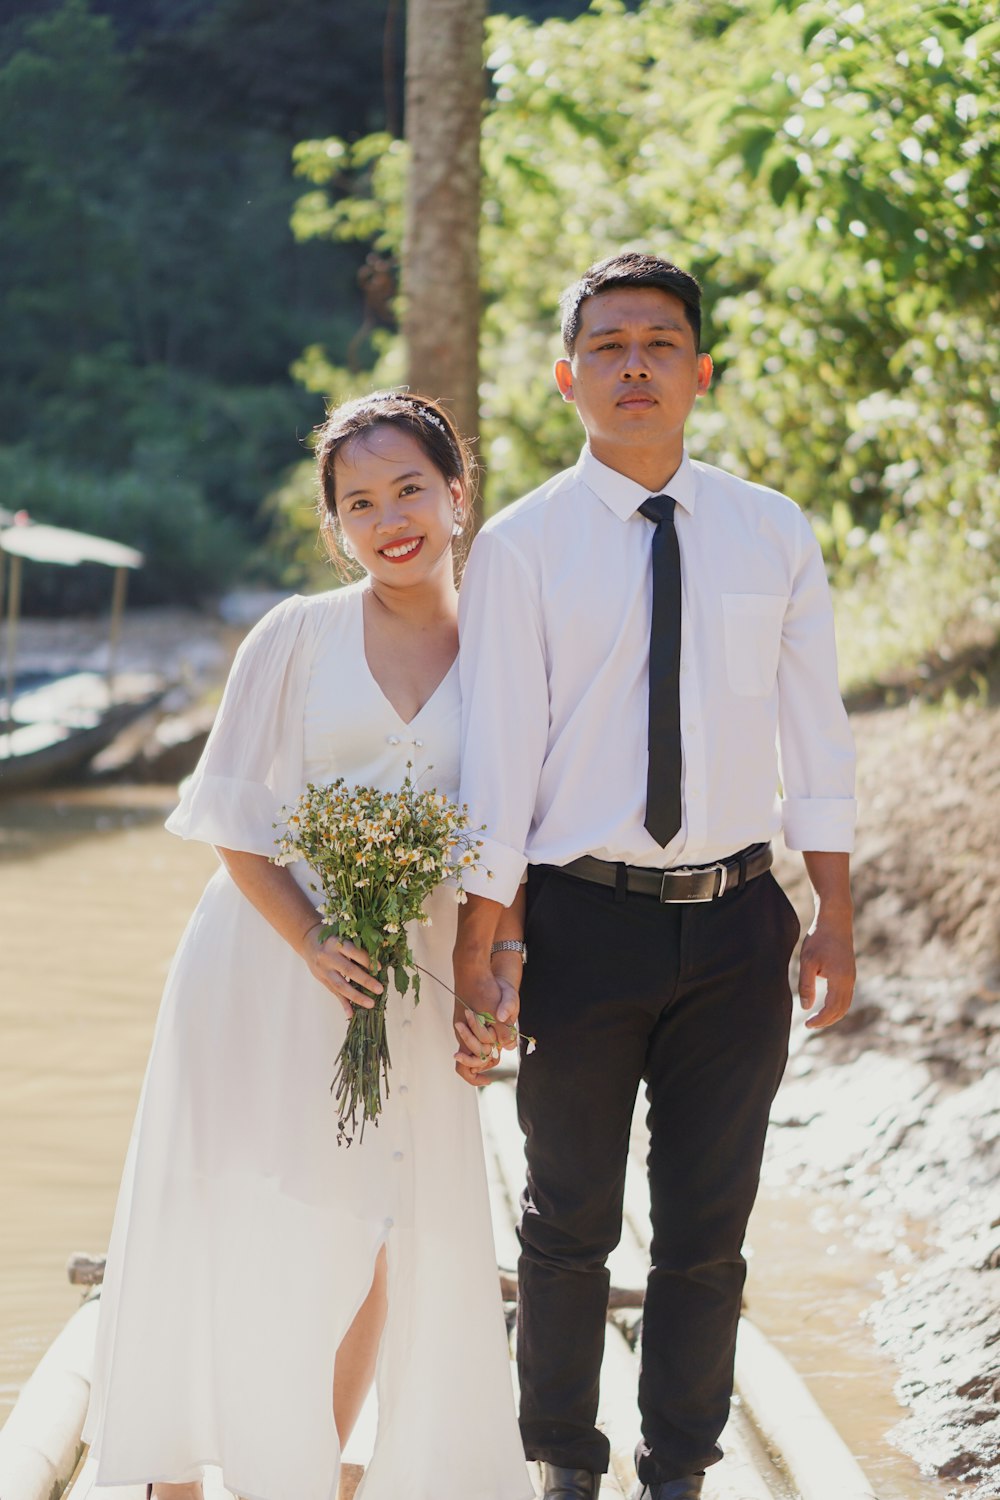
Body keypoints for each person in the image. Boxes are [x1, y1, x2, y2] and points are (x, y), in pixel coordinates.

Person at [452, 251, 857, 1500]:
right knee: (566, 1221)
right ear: (568, 376)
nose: (637, 366)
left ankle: (677, 1466)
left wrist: (831, 914)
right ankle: (564, 1465)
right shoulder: (520, 546)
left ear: (701, 372)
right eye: (611, 347)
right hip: (579, 921)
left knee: (707, 1229)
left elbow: (817, 734)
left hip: (739, 922)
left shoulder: (770, 530)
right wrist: (488, 940)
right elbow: (501, 757)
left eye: (661, 344)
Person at [84, 390, 531, 1500]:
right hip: (269, 960)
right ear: (334, 525)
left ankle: (309, 1469)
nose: (390, 521)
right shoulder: (294, 634)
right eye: (359, 503)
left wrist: (497, 971)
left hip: (415, 973)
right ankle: (182, 1468)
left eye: (410, 491)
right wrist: (317, 937)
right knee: (246, 1203)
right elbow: (230, 820)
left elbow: (514, 837)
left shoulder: (509, 655)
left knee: (382, 1216)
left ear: (457, 494)